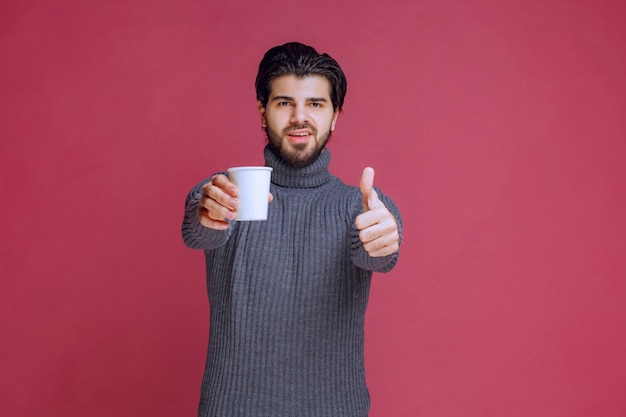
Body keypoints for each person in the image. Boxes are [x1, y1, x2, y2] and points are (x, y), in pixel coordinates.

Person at [182, 42, 403, 417]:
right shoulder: (224, 193)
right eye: (284, 102)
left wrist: (383, 238)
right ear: (262, 112)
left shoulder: (361, 206)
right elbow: (199, 230)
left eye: (315, 104)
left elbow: (380, 252)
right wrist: (206, 213)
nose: (300, 117)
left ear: (335, 116)